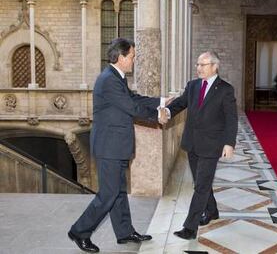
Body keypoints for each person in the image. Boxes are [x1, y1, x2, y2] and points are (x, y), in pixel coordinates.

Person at [68, 38, 168, 253]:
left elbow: (135, 97)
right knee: (108, 194)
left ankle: (124, 232)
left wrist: (161, 101)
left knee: (119, 192)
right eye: (132, 56)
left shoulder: (116, 78)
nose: (134, 60)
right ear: (121, 57)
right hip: (109, 147)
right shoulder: (108, 80)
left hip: (116, 145)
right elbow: (131, 107)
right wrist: (156, 116)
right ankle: (80, 231)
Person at [165, 51, 238, 240]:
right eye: (197, 64)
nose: (198, 68)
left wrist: (229, 143)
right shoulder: (193, 86)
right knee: (201, 182)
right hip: (192, 142)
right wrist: (165, 112)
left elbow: (231, 118)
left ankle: (190, 228)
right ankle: (212, 211)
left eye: (203, 65)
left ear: (215, 66)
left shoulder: (225, 89)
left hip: (212, 144)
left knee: (201, 186)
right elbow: (180, 104)